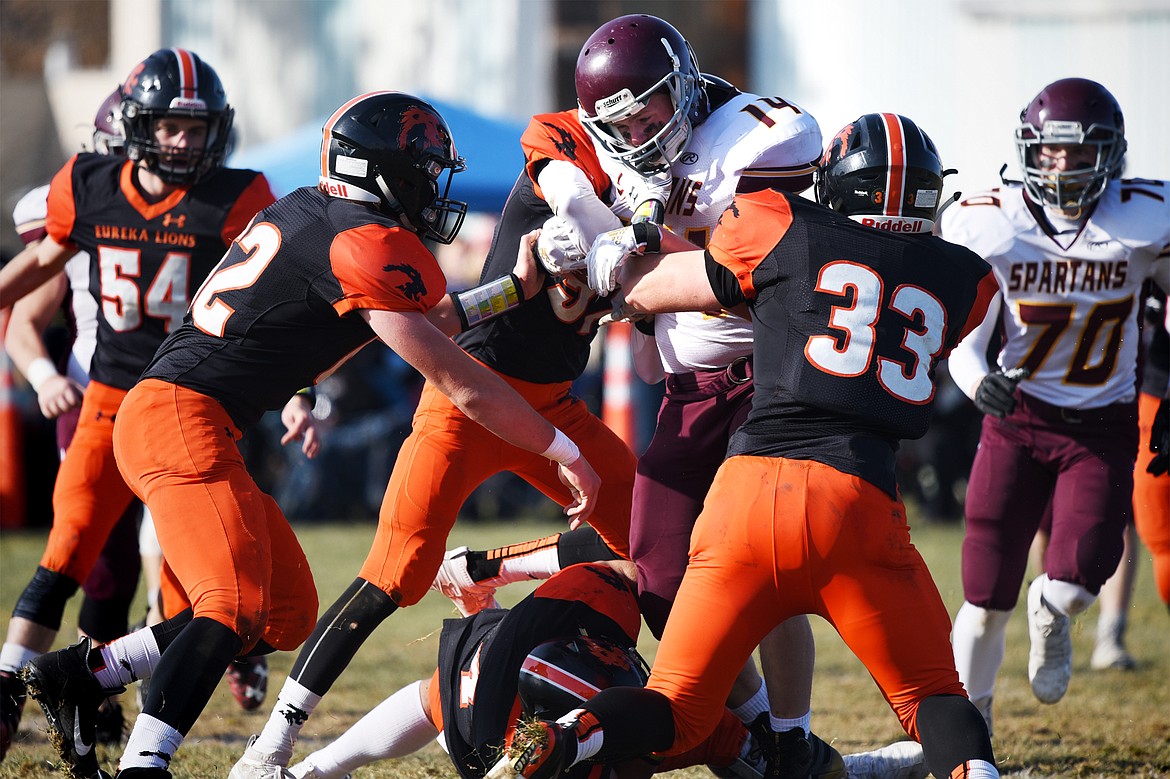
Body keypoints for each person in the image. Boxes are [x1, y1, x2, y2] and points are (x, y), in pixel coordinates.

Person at [20, 89, 601, 779]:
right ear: (386, 170)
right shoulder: (368, 242)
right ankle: (147, 763)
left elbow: (426, 319)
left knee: (287, 613)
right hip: (181, 416)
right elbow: (462, 380)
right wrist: (564, 451)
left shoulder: (315, 213)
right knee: (231, 604)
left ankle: (85, 673)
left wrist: (513, 287)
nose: (432, 185)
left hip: (191, 416)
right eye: (424, 168)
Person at [493, 112, 1002, 779]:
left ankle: (567, 734)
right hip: (858, 503)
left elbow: (656, 289)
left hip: (745, 498)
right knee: (934, 695)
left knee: (673, 707)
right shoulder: (968, 279)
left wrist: (600, 254)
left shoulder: (781, 226)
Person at [431, 15, 837, 776]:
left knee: (762, 563)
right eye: (619, 122)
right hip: (688, 384)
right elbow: (549, 146)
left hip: (766, 372)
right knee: (658, 565)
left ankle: (791, 735)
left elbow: (753, 271)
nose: (641, 133)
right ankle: (753, 729)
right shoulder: (595, 148)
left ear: (681, 87)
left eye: (650, 111)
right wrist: (575, 246)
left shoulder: (752, 138)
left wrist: (639, 255)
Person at [0, 49, 284, 766]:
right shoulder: (89, 184)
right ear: (136, 124)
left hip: (192, 405)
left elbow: (278, 305)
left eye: (196, 129)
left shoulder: (237, 197)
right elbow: (34, 268)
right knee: (67, 554)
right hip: (106, 400)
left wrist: (300, 393)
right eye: (169, 126)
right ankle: (7, 688)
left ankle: (130, 711)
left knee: (190, 578)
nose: (184, 142)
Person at [942, 78, 1170, 734]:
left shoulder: (1144, 218)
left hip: (1102, 423)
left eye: (1080, 152)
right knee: (983, 596)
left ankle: (1052, 608)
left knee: (1076, 579)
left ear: (1112, 154)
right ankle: (969, 726)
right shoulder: (991, 219)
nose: (1062, 166)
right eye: (1049, 152)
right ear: (1028, 151)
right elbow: (967, 333)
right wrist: (977, 379)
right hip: (1016, 422)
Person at [286, 561, 928, 779]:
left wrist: (319, 767)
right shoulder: (652, 730)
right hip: (590, 735)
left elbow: (423, 703)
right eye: (617, 662)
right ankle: (824, 755)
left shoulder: (486, 704)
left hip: (519, 684)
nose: (628, 658)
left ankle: (819, 754)